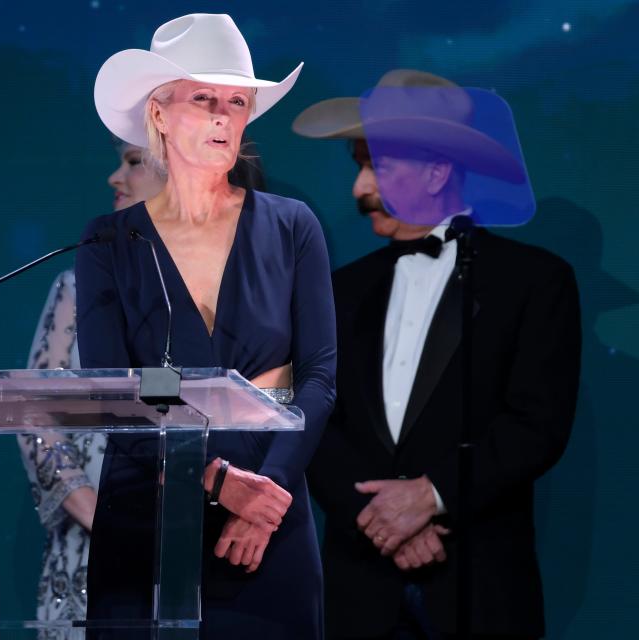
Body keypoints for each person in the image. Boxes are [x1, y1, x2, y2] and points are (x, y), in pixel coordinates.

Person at [293, 69, 581, 639]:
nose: (359, 189)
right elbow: (314, 417)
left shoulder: (533, 281)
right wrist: (383, 522)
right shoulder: (338, 290)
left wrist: (430, 496)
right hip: (359, 590)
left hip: (479, 585)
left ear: (437, 171)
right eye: (359, 167)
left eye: (376, 167)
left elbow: (536, 424)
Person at [76, 13, 336, 639]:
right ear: (159, 114)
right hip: (149, 496)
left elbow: (320, 377)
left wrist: (264, 497)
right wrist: (218, 482)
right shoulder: (110, 240)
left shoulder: (292, 225)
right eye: (204, 98)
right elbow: (112, 394)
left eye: (237, 102)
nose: (224, 115)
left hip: (271, 500)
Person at [18, 141, 164, 639]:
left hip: (192, 549)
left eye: (133, 161)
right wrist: (100, 518)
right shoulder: (77, 285)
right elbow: (32, 415)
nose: (114, 177)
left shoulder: (228, 285)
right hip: (87, 553)